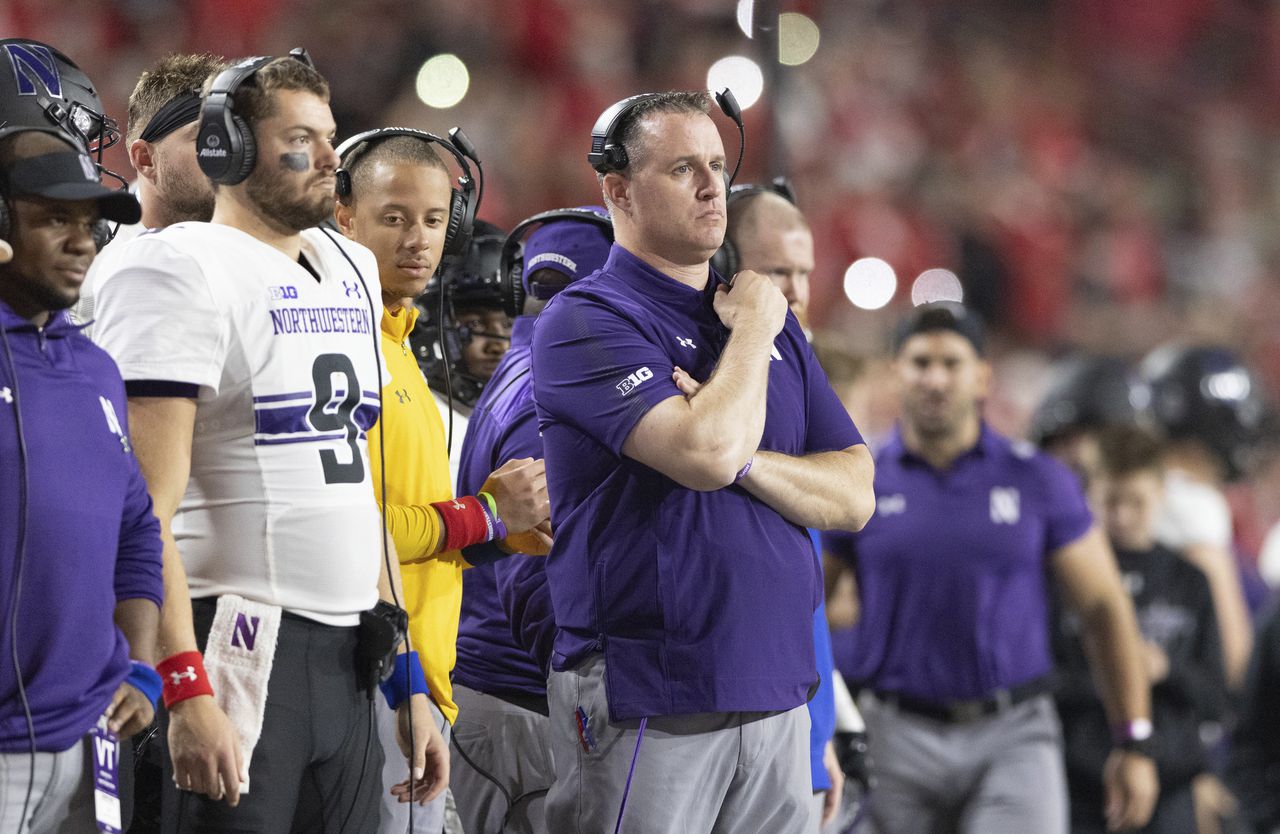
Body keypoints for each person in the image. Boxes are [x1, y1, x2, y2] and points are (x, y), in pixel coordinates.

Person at [90, 52, 445, 832]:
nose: (329, 158)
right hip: (240, 646)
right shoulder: (173, 268)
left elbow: (358, 482)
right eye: (300, 140)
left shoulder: (350, 264)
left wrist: (407, 680)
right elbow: (147, 505)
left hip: (351, 651)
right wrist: (185, 684)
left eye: (329, 136)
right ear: (229, 149)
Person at [532, 90, 876, 833]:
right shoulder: (587, 318)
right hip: (652, 691)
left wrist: (749, 462)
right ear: (618, 189)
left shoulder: (769, 325)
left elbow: (854, 492)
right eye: (683, 166)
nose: (712, 185)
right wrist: (754, 330)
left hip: (778, 690)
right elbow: (703, 453)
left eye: (718, 164)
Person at [825, 303, 1157, 834]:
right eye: (920, 362)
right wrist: (819, 728)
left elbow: (1104, 606)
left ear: (983, 377)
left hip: (1013, 734)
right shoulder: (858, 479)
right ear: (895, 373)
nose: (935, 378)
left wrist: (1134, 738)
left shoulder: (1039, 480)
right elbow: (803, 607)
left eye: (951, 363)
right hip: (893, 733)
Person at [332, 127, 550, 834]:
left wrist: (493, 538)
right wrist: (484, 515)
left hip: (418, 685)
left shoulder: (402, 358)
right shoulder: (343, 348)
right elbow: (342, 531)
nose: (417, 240)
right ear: (343, 216)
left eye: (432, 220)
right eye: (394, 218)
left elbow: (413, 529)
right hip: (371, 682)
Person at [0, 127, 162, 832]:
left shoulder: (95, 368)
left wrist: (141, 666)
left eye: (88, 223)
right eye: (53, 219)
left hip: (90, 742)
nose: (83, 241)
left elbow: (136, 533)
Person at [451, 205, 613, 834]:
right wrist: (591, 689)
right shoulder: (549, 383)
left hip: (506, 697)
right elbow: (535, 566)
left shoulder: (523, 366)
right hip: (520, 700)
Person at [719, 182, 844, 830]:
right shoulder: (716, 377)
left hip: (790, 707)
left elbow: (809, 578)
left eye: (804, 272)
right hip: (714, 706)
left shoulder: (799, 369)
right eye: (776, 272)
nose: (795, 290)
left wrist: (826, 728)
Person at [1053, 424, 1226, 833]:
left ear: (1162, 494)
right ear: (1089, 492)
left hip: (1170, 789)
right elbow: (1042, 680)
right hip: (1079, 785)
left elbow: (1217, 696)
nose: (1124, 516)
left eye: (1137, 501)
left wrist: (1166, 667)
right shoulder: (1062, 578)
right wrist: (1117, 667)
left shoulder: (1189, 581)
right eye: (1112, 501)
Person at [76, 53, 227, 334]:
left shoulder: (276, 244)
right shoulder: (84, 264)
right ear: (145, 159)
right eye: (203, 137)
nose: (223, 152)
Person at [411, 220, 512, 480]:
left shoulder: (532, 415)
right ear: (430, 322)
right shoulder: (410, 411)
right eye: (475, 322)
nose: (498, 343)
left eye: (507, 324)